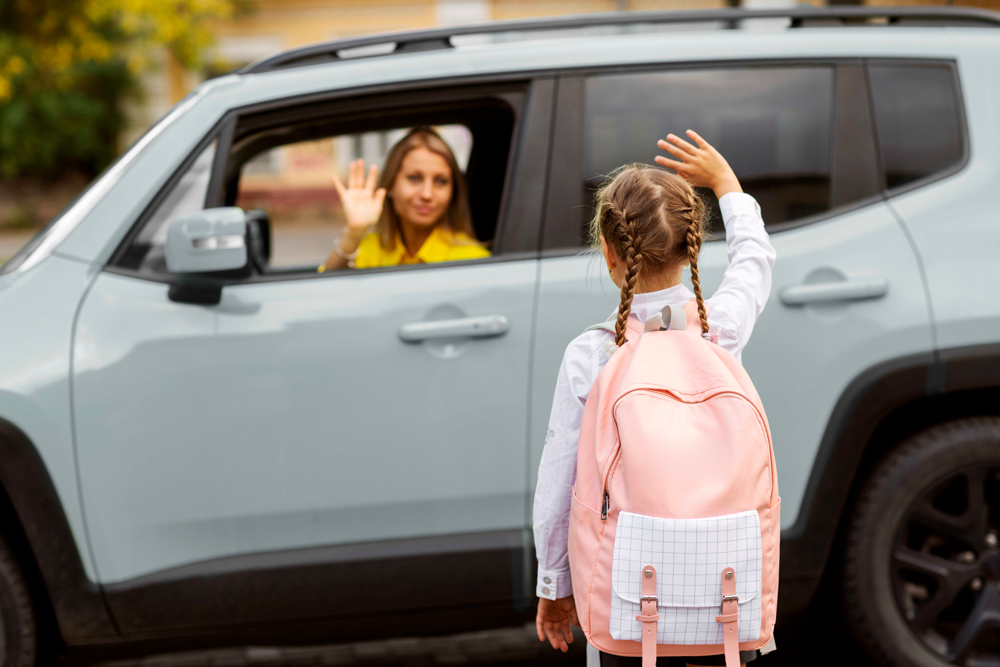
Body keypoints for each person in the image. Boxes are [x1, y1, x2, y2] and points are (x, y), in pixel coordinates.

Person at [532, 130, 777, 667]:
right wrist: (727, 185)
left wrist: (554, 586)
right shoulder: (720, 333)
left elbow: (559, 480)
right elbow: (755, 260)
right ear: (695, 245)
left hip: (626, 604)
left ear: (609, 251)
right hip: (726, 598)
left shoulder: (591, 354)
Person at [318, 126, 490, 272]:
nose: (427, 194)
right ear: (391, 184)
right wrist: (353, 233)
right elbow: (322, 293)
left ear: (453, 191)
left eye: (440, 181)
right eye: (414, 178)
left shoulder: (472, 259)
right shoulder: (370, 249)